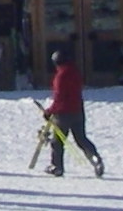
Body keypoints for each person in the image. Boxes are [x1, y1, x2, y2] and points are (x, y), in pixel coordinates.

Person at [43, 44, 104, 177]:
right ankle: (96, 160)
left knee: (57, 141)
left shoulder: (60, 76)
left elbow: (59, 97)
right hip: (78, 110)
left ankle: (57, 166)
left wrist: (49, 111)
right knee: (81, 139)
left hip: (63, 114)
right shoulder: (75, 72)